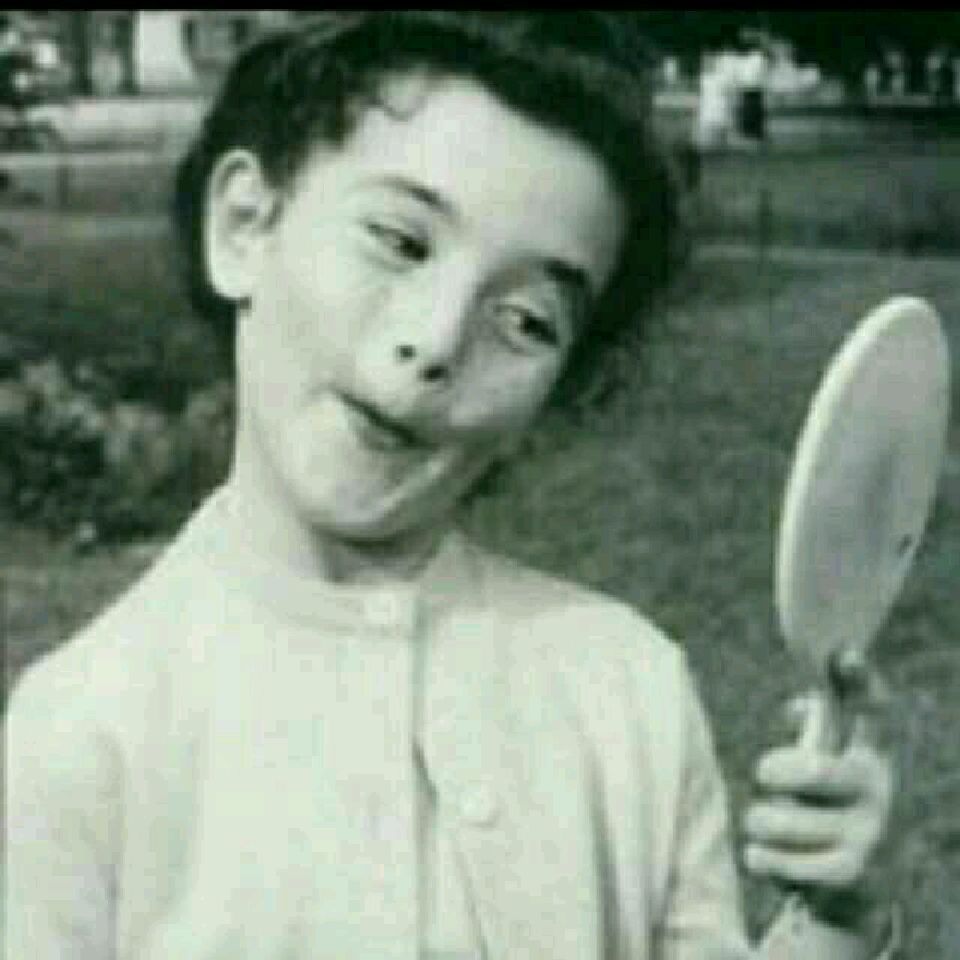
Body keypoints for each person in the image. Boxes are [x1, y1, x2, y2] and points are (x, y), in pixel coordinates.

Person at [4, 12, 900, 959]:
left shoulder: (628, 690)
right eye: (399, 241)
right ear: (244, 227)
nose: (436, 343)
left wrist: (835, 924)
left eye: (526, 320)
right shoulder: (83, 735)